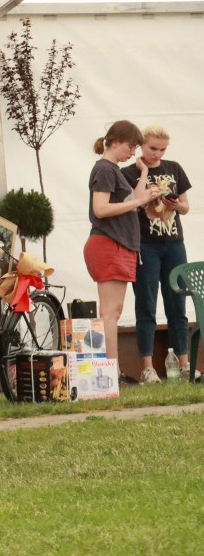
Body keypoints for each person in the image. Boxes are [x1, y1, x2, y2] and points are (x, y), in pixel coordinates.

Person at [83, 120, 160, 366]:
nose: (133, 152)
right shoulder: (105, 169)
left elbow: (132, 199)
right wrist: (138, 203)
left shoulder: (112, 169)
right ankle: (109, 372)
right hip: (108, 243)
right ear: (114, 141)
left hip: (117, 244)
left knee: (113, 312)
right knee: (109, 313)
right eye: (130, 146)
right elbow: (101, 208)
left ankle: (111, 371)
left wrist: (144, 178)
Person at [120, 125, 194, 382]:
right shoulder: (129, 172)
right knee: (146, 302)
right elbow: (129, 205)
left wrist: (176, 204)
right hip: (145, 244)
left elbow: (185, 207)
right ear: (141, 145)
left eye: (162, 149)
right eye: (153, 148)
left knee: (178, 302)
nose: (158, 154)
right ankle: (147, 366)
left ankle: (185, 365)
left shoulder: (173, 168)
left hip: (174, 243)